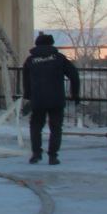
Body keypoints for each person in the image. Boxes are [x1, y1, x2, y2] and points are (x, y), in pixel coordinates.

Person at [22, 33, 81, 165]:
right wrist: (75, 94)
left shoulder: (30, 60)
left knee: (36, 127)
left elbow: (26, 80)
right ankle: (53, 156)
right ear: (51, 44)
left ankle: (36, 153)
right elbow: (74, 75)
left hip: (38, 100)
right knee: (56, 128)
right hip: (56, 99)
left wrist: (28, 97)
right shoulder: (59, 58)